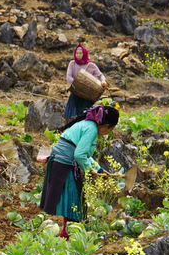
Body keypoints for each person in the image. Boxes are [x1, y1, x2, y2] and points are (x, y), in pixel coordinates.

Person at [39, 105, 119, 240]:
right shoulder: (91, 130)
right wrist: (90, 169)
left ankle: (68, 232)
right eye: (110, 130)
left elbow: (84, 155)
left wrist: (99, 169)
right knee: (74, 201)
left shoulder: (88, 124)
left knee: (74, 200)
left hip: (60, 162)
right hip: (63, 164)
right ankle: (67, 234)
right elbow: (79, 155)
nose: (108, 133)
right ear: (105, 126)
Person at [64, 44, 108, 120]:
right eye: (76, 53)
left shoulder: (91, 66)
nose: (78, 55)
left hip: (87, 95)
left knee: (84, 114)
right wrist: (76, 85)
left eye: (80, 53)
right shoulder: (72, 63)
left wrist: (103, 81)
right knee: (71, 115)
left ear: (84, 54)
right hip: (76, 93)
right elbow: (69, 77)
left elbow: (101, 75)